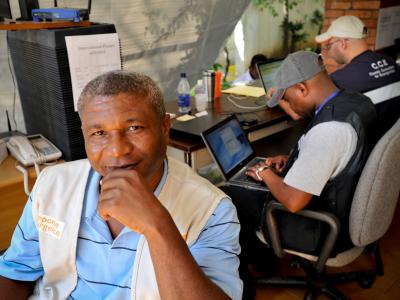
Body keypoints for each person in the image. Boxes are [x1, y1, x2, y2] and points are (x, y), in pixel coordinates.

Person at [0, 71, 242, 300]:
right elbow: (15, 272)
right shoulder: (52, 185)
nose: (117, 150)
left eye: (134, 128)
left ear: (165, 128)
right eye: (99, 133)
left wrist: (156, 225)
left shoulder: (212, 210)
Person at [223, 51, 377, 299]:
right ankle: (266, 263)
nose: (289, 105)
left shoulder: (328, 131)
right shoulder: (356, 102)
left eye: (287, 96)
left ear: (302, 88)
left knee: (225, 198)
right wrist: (293, 159)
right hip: (343, 207)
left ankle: (245, 286)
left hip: (319, 228)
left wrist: (265, 172)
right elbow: (338, 158)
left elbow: (294, 201)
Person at [273, 16, 400, 135]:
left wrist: (279, 95)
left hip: (366, 148)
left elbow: (300, 113)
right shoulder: (392, 63)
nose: (327, 51)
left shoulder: (340, 80)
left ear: (343, 43)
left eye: (328, 45)